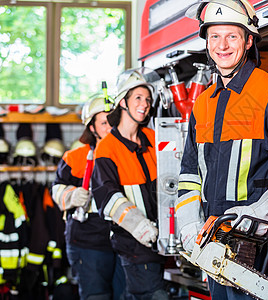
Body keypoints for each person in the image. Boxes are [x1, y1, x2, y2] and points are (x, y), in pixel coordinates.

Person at [176, 1, 268, 299]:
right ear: (206, 42)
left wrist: (260, 212)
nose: (222, 45)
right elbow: (189, 172)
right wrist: (189, 225)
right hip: (211, 239)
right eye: (215, 36)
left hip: (256, 245)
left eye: (232, 36)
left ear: (249, 39)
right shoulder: (204, 103)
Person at [91, 68, 168, 300]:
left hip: (162, 241)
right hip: (134, 244)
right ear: (122, 102)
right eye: (137, 98)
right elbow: (107, 197)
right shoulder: (107, 147)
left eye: (147, 99)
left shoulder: (153, 139)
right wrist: (139, 226)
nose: (144, 104)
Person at [52, 95, 126, 300]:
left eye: (113, 121)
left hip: (123, 240)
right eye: (103, 123)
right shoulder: (75, 157)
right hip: (88, 241)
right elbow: (56, 189)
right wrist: (71, 195)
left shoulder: (128, 155)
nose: (110, 127)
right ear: (91, 127)